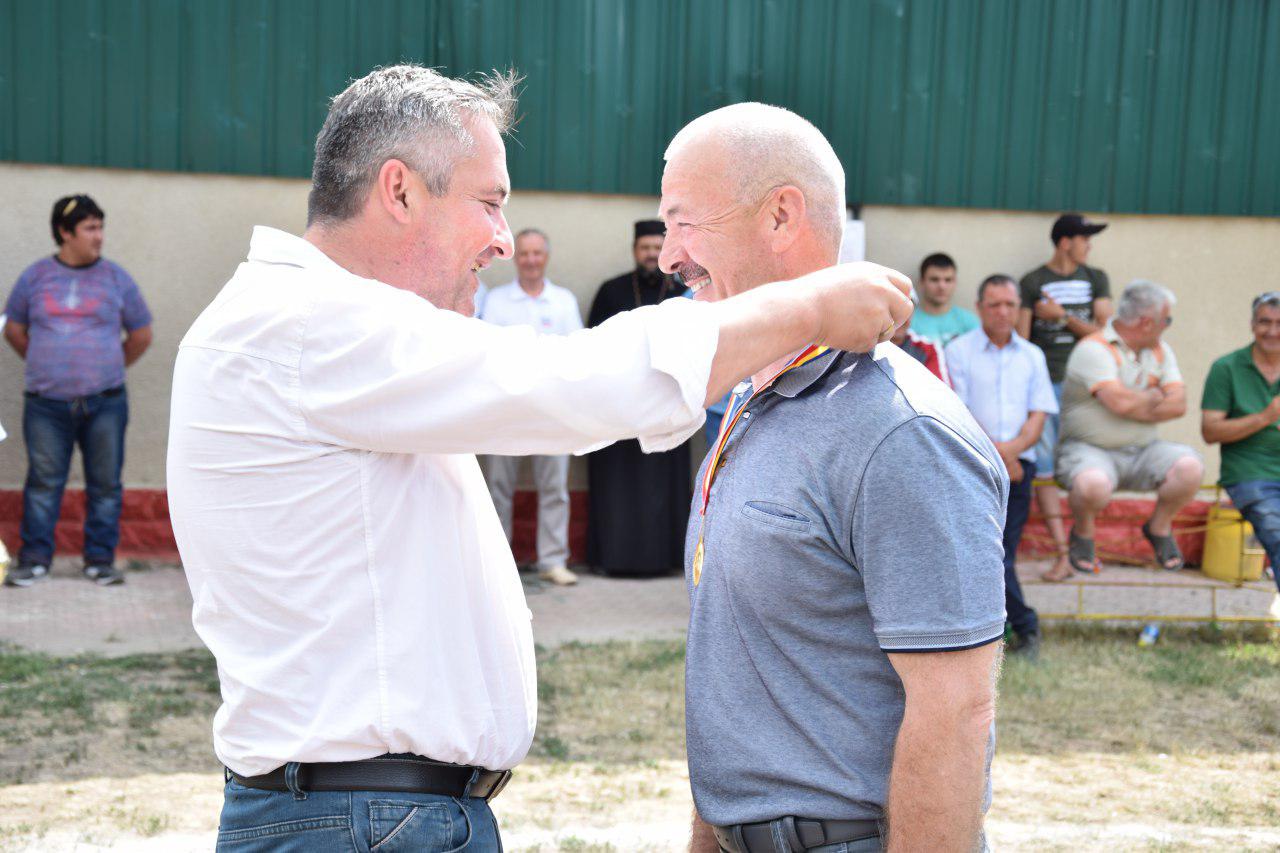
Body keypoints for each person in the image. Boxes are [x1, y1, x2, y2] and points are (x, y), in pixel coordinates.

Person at [166, 65, 913, 852]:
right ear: (400, 191)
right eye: (489, 201)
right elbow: (568, 381)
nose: (501, 238)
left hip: (368, 813)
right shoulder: (307, 326)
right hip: (361, 819)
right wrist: (809, 307)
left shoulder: (314, 329)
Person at [660, 103, 1006, 853]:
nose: (667, 257)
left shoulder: (902, 431)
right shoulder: (752, 399)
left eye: (684, 222)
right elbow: (746, 669)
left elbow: (954, 711)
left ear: (781, 215)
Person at [2, 194, 153, 589]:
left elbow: (141, 334)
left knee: (105, 484)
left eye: (100, 227)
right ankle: (34, 561)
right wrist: (46, 362)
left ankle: (100, 561)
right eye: (90, 228)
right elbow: (13, 329)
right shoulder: (35, 277)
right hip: (46, 406)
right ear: (65, 232)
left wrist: (104, 367)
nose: (99, 236)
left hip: (106, 402)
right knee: (43, 482)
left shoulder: (116, 278)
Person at [1057, 281, 1203, 574]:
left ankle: (1159, 526)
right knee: (1092, 484)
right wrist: (1153, 396)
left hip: (1143, 450)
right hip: (1089, 451)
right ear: (1147, 323)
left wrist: (1132, 402)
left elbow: (1179, 404)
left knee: (1191, 468)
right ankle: (1083, 532)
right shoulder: (1094, 349)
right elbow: (1118, 404)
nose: (1167, 326)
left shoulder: (1160, 351)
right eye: (1167, 320)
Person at [947, 275, 1058, 659]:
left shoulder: (1032, 355)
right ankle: (1013, 627)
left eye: (1010, 304)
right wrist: (998, 460)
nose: (1002, 312)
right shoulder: (958, 351)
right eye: (994, 304)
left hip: (1019, 469)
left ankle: (1016, 628)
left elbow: (1038, 414)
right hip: (972, 465)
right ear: (979, 308)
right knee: (981, 552)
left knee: (1002, 551)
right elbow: (958, 412)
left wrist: (1011, 454)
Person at [585, 220, 692, 577]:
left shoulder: (683, 295)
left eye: (655, 248)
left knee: (661, 484)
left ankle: (663, 559)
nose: (649, 254)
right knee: (618, 486)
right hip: (619, 407)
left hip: (666, 404)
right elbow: (592, 346)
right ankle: (614, 558)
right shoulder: (611, 291)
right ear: (634, 250)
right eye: (644, 248)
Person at [479, 229, 582, 586]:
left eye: (537, 253)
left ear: (546, 256)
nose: (530, 260)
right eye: (524, 253)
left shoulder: (563, 301)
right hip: (505, 410)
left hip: (552, 410)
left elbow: (575, 351)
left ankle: (552, 561)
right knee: (498, 488)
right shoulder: (497, 301)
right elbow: (487, 352)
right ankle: (500, 565)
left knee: (554, 488)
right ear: (515, 257)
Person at [1018, 213, 1114, 581]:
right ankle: (1063, 555)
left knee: (1087, 465)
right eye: (1084, 238)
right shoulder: (1033, 282)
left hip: (1086, 390)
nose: (1089, 246)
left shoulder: (1096, 278)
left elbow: (1105, 337)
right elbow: (1021, 342)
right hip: (1044, 388)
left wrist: (1061, 317)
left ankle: (1082, 547)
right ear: (1064, 242)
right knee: (1044, 468)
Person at [1201, 292, 1280, 592]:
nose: (1272, 331)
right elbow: (1210, 431)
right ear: (1252, 324)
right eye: (1265, 322)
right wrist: (1265, 417)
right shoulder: (1227, 367)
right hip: (1251, 473)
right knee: (1277, 531)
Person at [908, 252, 978, 345]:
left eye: (948, 280)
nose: (942, 286)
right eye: (934, 279)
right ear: (922, 282)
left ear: (955, 282)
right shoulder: (907, 322)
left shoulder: (969, 322)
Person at [891, 314, 950, 384]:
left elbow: (938, 388)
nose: (898, 319)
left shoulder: (929, 348)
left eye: (905, 311)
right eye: (891, 312)